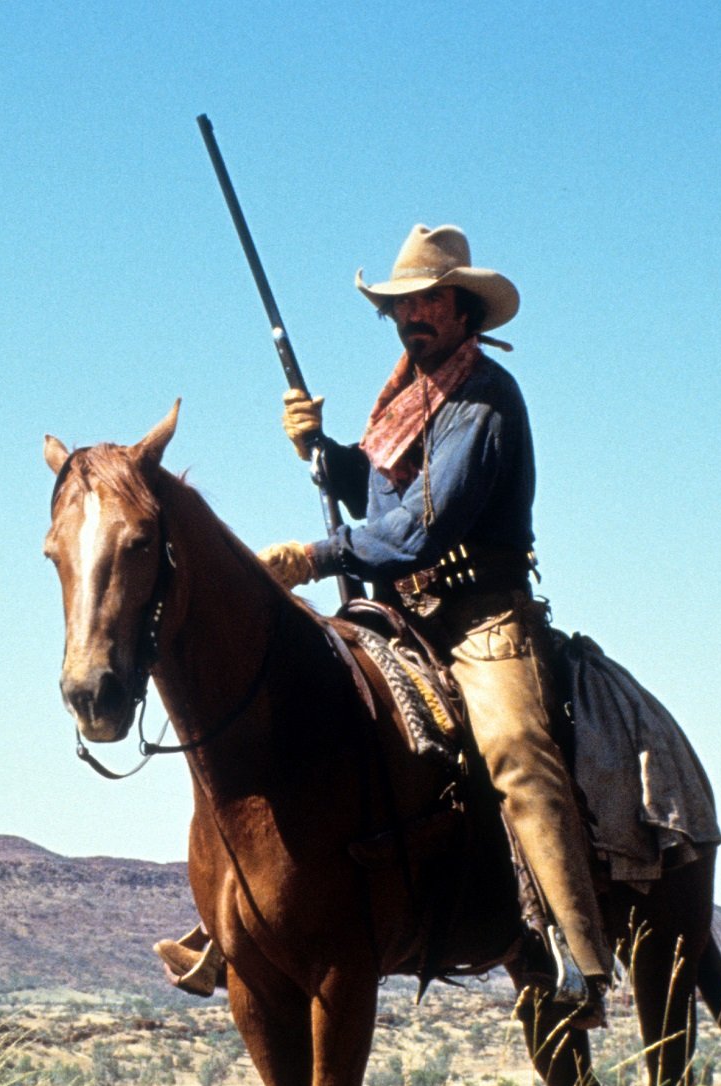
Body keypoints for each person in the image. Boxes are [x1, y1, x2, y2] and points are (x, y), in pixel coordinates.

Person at [160, 224, 614, 1028]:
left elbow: (420, 526)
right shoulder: (410, 399)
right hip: (403, 613)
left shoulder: (484, 399)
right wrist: (323, 451)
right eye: (402, 304)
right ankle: (244, 912)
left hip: (480, 619)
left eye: (428, 300)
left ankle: (579, 961)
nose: (413, 316)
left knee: (514, 747)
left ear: (463, 306)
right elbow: (380, 494)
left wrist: (315, 554)